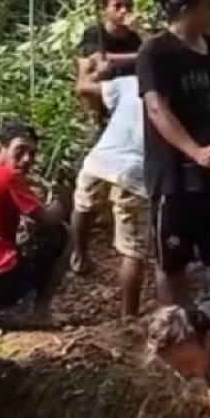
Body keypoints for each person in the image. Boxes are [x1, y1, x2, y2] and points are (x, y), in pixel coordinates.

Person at [137, 0, 210, 306]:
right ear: (186, 10)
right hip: (174, 173)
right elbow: (157, 108)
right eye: (207, 4)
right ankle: (178, 325)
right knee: (173, 258)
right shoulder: (156, 52)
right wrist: (194, 149)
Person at [0, 121, 71, 331]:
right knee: (61, 234)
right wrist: (65, 201)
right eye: (20, 151)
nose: (26, 159)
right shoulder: (8, 176)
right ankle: (40, 312)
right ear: (0, 149)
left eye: (32, 153)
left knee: (22, 242)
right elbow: (46, 219)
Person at [70, 72, 148, 317]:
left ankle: (79, 254)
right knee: (133, 249)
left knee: (83, 206)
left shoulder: (129, 83)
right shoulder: (178, 93)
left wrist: (99, 69)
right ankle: (128, 315)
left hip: (101, 160)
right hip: (134, 173)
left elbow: (82, 87)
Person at [75, 0, 146, 126]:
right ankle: (95, 119)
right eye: (117, 6)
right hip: (107, 93)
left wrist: (140, 31)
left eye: (128, 6)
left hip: (135, 95)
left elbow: (157, 51)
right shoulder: (95, 34)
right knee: (89, 67)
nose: (124, 11)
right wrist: (139, 56)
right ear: (105, 9)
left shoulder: (137, 34)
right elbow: (97, 58)